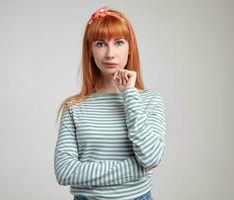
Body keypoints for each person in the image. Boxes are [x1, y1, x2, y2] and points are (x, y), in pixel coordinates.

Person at [54, 5, 166, 200]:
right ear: (90, 50)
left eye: (119, 42)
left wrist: (129, 95)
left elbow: (150, 157)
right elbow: (64, 172)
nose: (110, 53)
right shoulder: (73, 107)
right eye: (100, 44)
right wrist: (137, 169)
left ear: (130, 48)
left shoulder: (150, 100)